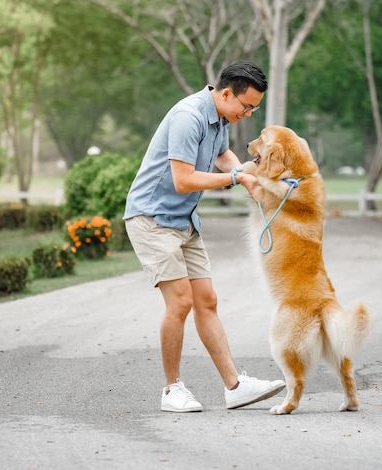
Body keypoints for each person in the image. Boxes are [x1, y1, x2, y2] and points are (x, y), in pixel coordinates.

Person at [124, 61, 285, 413]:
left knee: (206, 300)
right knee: (180, 302)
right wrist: (236, 179)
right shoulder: (189, 117)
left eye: (254, 108)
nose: (249, 113)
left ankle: (235, 386)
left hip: (183, 218)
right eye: (247, 106)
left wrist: (251, 172)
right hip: (151, 218)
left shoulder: (220, 118)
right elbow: (183, 179)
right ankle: (171, 390)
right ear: (226, 93)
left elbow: (223, 156)